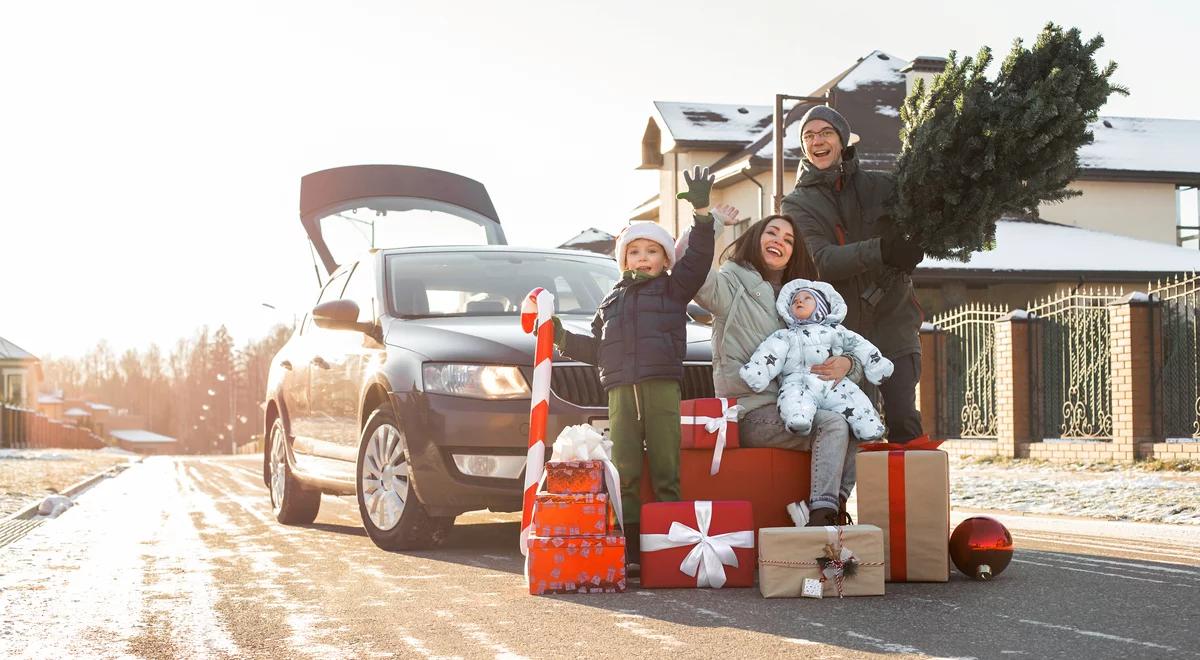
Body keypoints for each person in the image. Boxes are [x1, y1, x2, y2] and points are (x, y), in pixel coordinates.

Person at [553, 166, 716, 567]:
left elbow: (697, 259)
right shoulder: (610, 301)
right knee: (624, 469)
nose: (643, 258)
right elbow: (597, 350)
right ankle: (628, 547)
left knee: (665, 468)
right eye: (635, 251)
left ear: (665, 259)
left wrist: (701, 214)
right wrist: (558, 336)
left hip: (660, 388)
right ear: (623, 258)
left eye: (652, 251)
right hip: (621, 392)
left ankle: (668, 549)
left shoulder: (674, 288)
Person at [676, 205, 864, 527]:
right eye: (772, 232)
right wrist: (712, 222)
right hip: (751, 411)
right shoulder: (731, 286)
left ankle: (832, 507)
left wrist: (848, 363)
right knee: (832, 424)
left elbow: (844, 348)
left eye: (789, 239)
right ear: (756, 239)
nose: (780, 241)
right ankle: (822, 519)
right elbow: (686, 264)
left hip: (801, 403)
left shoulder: (804, 301)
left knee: (856, 420)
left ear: (793, 254)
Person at [781, 105, 928, 444]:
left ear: (843, 140)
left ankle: (910, 495)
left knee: (905, 420)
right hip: (842, 337)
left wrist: (913, 245)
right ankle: (842, 498)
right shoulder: (797, 204)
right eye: (809, 136)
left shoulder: (883, 187)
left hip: (894, 324)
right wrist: (882, 250)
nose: (817, 141)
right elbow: (821, 261)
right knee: (853, 428)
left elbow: (919, 220)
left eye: (826, 133)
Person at [740, 278, 893, 441]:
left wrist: (876, 363)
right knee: (793, 397)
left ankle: (868, 426)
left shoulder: (836, 331)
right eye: (795, 300)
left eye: (807, 298)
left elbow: (860, 346)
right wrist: (759, 370)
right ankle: (799, 418)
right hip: (799, 382)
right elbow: (771, 352)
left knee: (854, 398)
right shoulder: (786, 335)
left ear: (821, 306)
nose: (799, 301)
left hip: (833, 383)